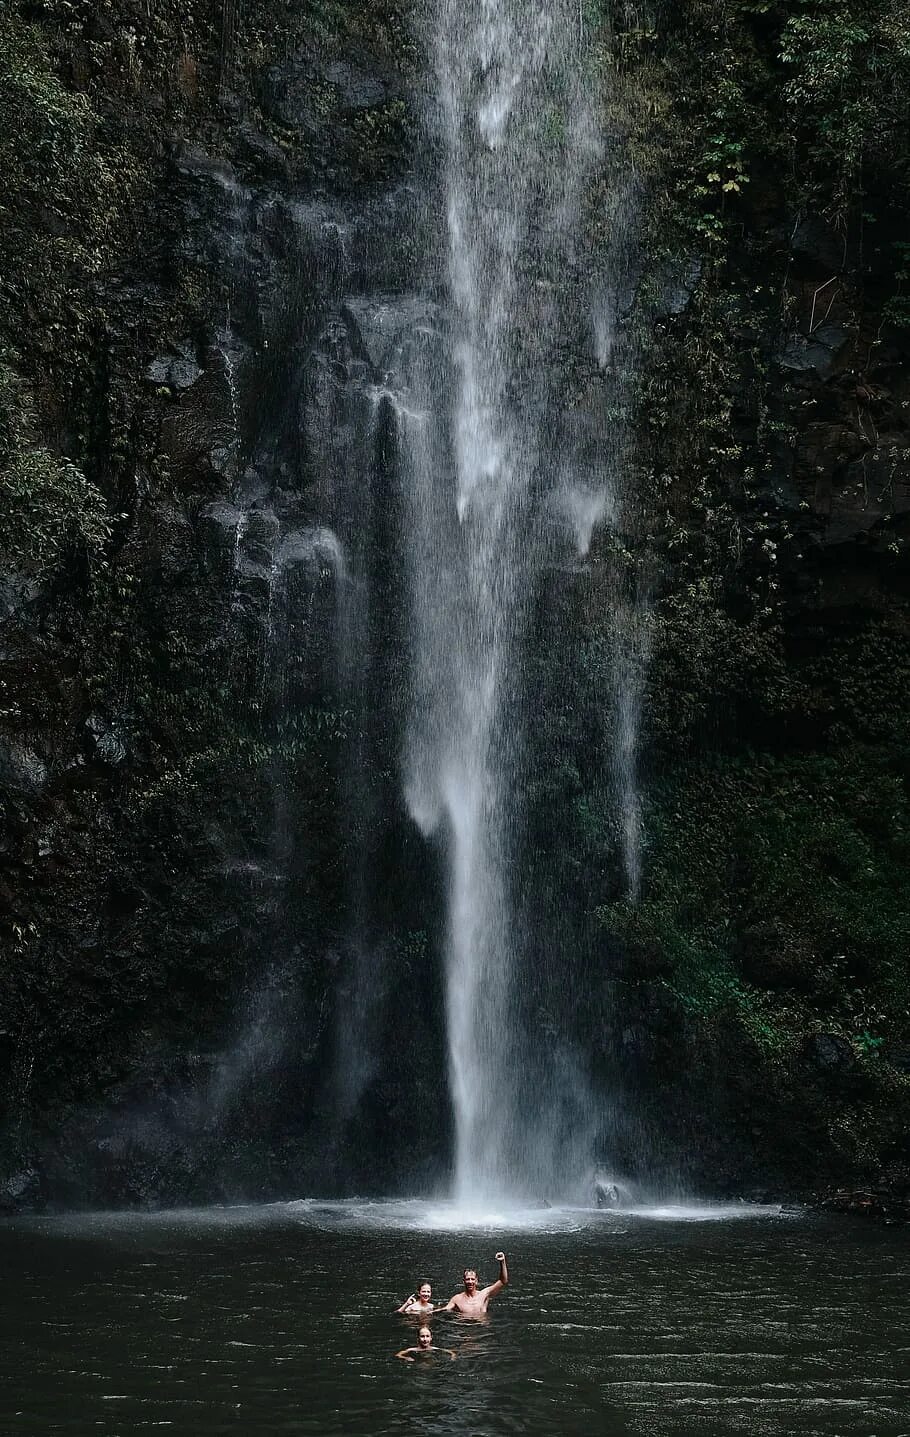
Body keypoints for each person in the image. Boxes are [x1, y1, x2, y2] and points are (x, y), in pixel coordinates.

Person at [438, 1251, 508, 1317]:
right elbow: (445, 1309)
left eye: (472, 1279)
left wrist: (502, 1261)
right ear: (464, 1281)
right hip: (465, 1326)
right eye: (468, 1279)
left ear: (476, 1281)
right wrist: (429, 1313)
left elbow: (503, 1281)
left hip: (482, 1328)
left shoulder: (484, 1294)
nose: (470, 1282)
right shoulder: (457, 1299)